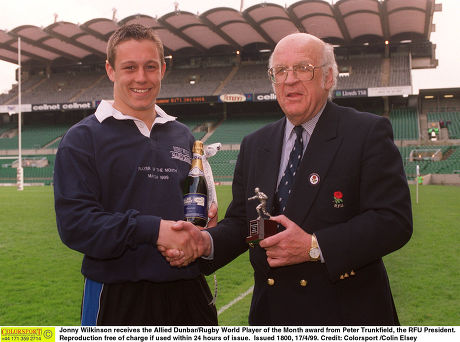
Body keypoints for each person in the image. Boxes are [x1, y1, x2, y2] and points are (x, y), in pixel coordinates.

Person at [164, 32, 413, 325]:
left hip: (344, 314)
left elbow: (393, 220)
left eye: (303, 68)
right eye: (280, 71)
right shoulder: (255, 143)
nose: (289, 79)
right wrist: (205, 242)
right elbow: (244, 224)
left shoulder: (366, 132)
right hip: (272, 315)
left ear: (329, 78)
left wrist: (314, 246)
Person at [53, 24, 217, 326]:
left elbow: (193, 208)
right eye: (129, 67)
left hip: (188, 291)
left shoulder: (182, 135)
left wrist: (203, 226)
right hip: (117, 295)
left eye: (150, 67)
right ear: (111, 70)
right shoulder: (83, 138)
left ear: (163, 69)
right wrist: (152, 230)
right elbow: (75, 224)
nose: (141, 77)